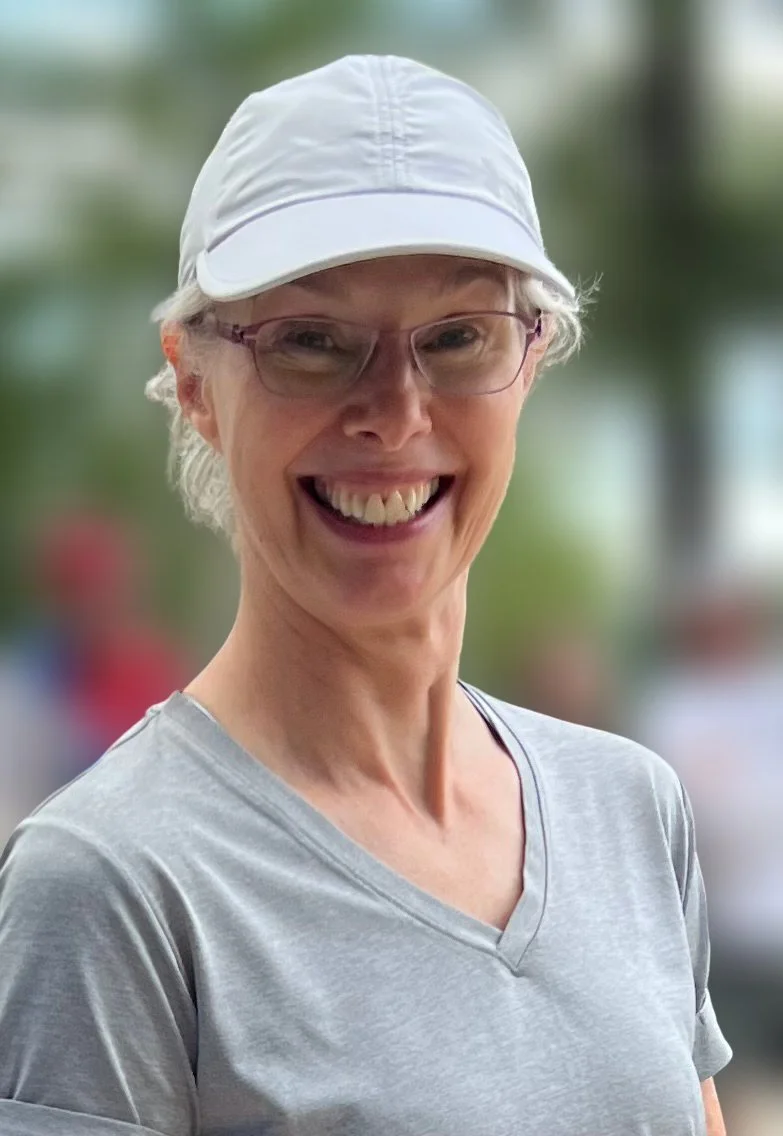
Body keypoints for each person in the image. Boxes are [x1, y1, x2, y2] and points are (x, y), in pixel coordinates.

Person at [0, 55, 730, 1136]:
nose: (393, 412)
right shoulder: (113, 886)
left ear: (529, 360)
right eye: (310, 342)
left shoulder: (629, 807)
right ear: (196, 383)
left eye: (457, 336)